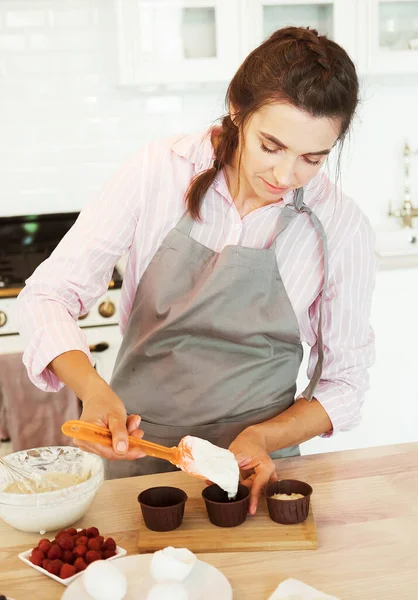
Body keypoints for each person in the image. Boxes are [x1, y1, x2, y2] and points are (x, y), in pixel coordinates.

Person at [17, 26, 375, 516]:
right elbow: (48, 296)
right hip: (138, 456)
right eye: (271, 146)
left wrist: (264, 437)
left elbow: (346, 382)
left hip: (257, 469)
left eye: (312, 159)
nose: (286, 177)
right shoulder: (158, 171)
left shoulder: (340, 225)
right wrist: (94, 391)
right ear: (236, 109)